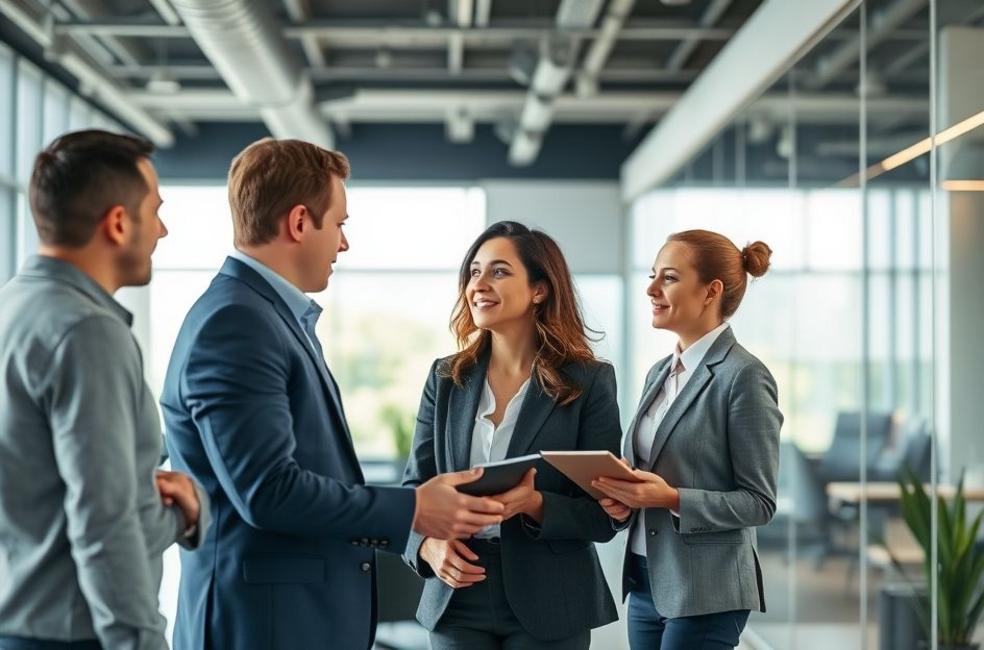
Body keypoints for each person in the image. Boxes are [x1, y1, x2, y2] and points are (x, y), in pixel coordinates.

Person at [161, 138, 506, 650]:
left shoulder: (264, 316)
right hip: (265, 626)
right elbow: (268, 491)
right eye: (340, 224)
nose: (343, 244)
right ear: (300, 223)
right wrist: (412, 509)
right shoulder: (238, 322)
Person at [0, 130, 208, 650]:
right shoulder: (86, 332)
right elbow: (103, 526)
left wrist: (162, 507)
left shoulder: (13, 310)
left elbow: (46, 492)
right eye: (154, 211)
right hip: (76, 635)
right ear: (118, 223)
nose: (162, 230)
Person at [402, 221, 623, 649]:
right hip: (457, 592)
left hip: (552, 594)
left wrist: (536, 504)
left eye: (499, 271)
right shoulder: (446, 378)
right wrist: (426, 545)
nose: (478, 284)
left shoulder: (588, 381)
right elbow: (416, 486)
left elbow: (605, 514)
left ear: (539, 289)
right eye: (474, 271)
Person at [591, 229, 783, 650]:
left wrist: (671, 498)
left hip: (707, 590)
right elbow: (649, 474)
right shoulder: (659, 372)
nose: (651, 289)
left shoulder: (744, 376)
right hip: (646, 579)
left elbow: (760, 502)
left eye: (669, 278)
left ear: (710, 291)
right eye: (652, 275)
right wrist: (623, 499)